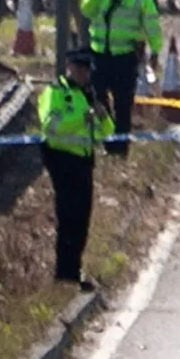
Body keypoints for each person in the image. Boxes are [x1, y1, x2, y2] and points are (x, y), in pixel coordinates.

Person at [38, 50, 114, 290]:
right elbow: (51, 126)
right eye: (78, 68)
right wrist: (82, 118)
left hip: (83, 161)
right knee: (68, 216)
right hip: (61, 160)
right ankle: (64, 274)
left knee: (82, 218)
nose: (82, 74)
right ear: (68, 66)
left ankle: (74, 270)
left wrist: (102, 118)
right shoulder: (56, 93)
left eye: (86, 70)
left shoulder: (88, 95)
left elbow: (106, 133)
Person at [79, 0, 164, 158]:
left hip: (125, 57)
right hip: (100, 55)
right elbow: (86, 9)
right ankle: (108, 143)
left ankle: (121, 149)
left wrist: (155, 49)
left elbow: (151, 22)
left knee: (123, 104)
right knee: (99, 101)